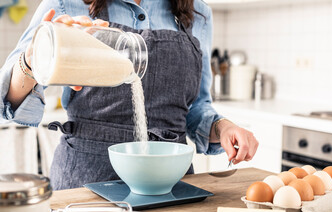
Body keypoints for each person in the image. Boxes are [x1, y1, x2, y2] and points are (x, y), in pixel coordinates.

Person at [0, 0, 259, 190]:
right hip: (85, 183)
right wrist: (31, 63)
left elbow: (196, 108)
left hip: (171, 185)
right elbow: (8, 101)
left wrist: (222, 127)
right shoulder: (67, 4)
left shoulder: (198, 13)